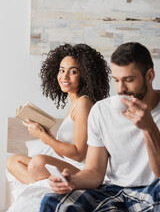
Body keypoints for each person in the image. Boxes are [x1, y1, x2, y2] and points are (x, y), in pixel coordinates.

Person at [40, 42, 160, 212]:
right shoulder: (101, 111)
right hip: (114, 191)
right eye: (117, 80)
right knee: (52, 202)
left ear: (149, 76)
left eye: (129, 80)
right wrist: (72, 181)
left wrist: (149, 129)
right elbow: (95, 172)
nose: (121, 89)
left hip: (153, 190)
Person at [6, 43, 110, 184]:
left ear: (85, 76)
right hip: (70, 165)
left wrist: (42, 136)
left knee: (38, 161)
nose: (64, 76)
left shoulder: (84, 103)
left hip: (82, 172)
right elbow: (65, 155)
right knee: (12, 161)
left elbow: (79, 155)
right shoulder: (74, 103)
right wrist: (47, 138)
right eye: (62, 70)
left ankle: (41, 184)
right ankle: (41, 184)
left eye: (73, 72)